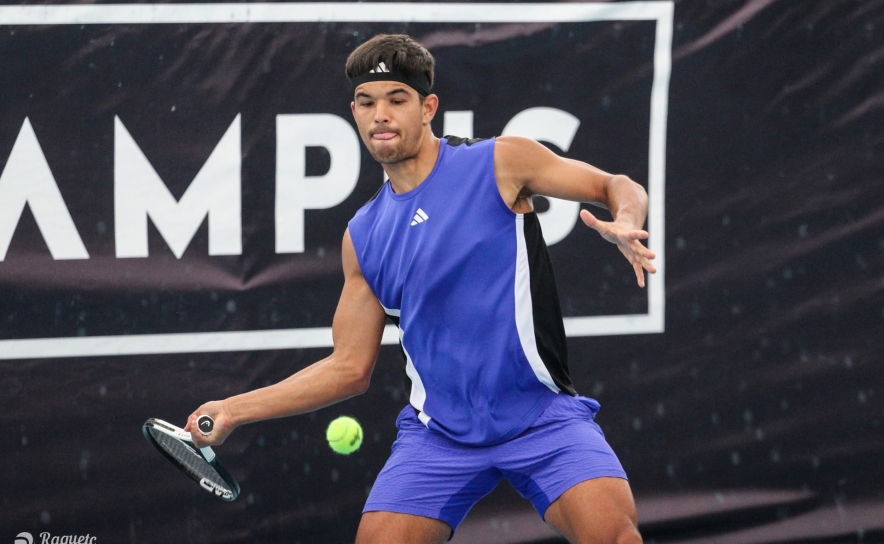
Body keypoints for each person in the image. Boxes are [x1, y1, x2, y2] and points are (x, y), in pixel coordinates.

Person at [186, 34, 655, 544]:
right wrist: (233, 409)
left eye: (396, 99)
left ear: (428, 107)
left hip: (542, 417)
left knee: (615, 536)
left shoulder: (501, 163)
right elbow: (347, 369)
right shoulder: (363, 237)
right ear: (355, 113)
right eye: (367, 103)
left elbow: (618, 185)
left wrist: (625, 221)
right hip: (439, 437)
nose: (380, 114)